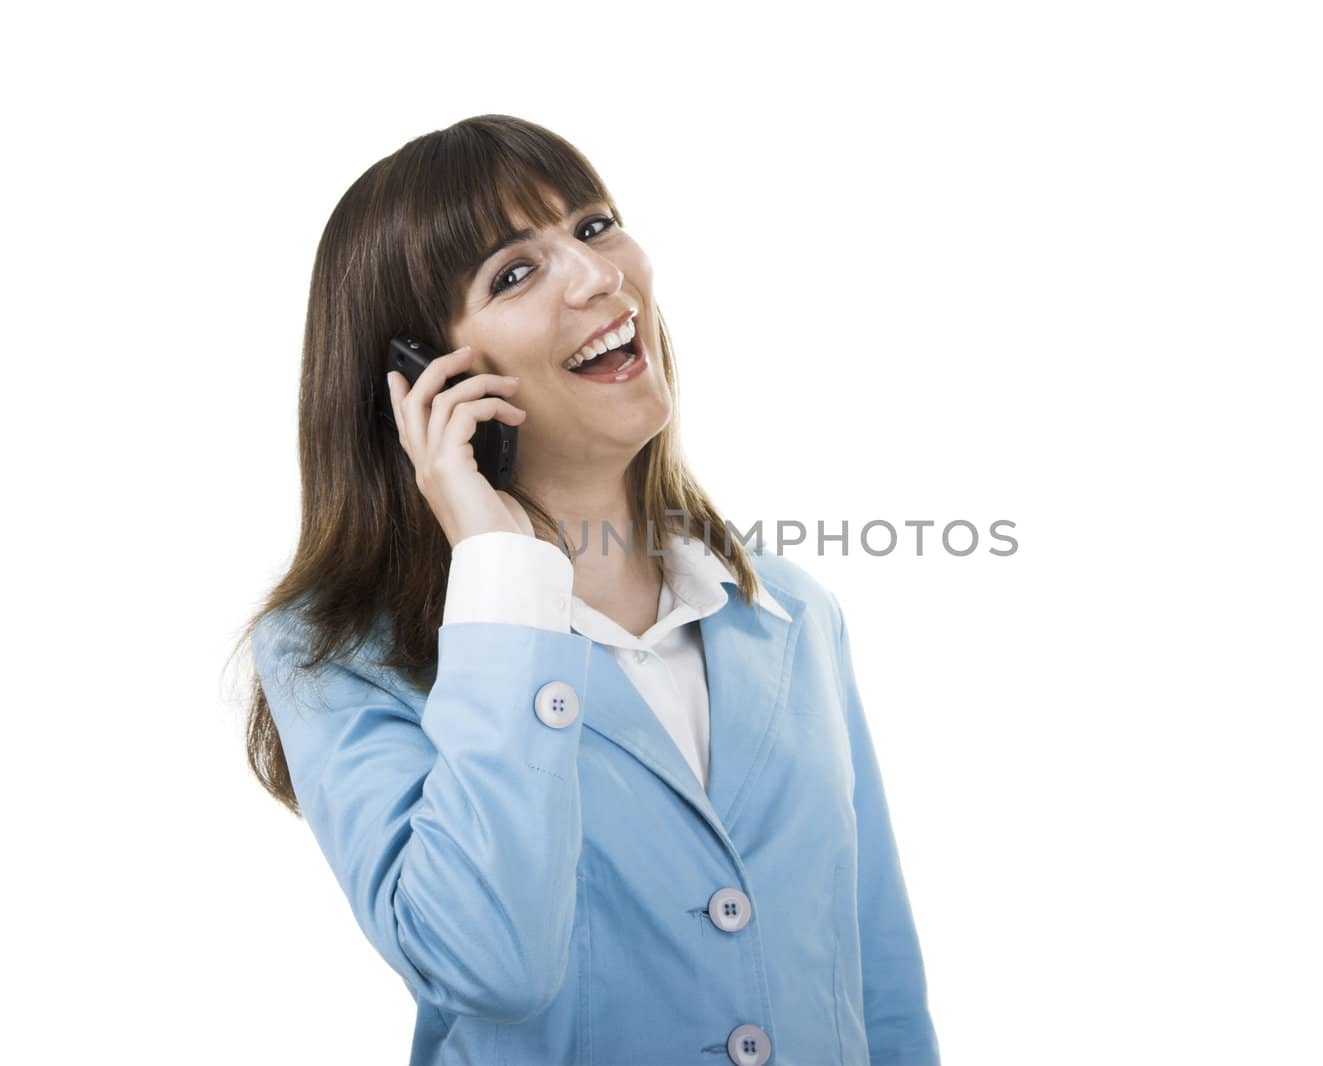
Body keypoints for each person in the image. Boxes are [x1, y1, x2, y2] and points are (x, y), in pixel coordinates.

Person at [239, 114, 940, 1066]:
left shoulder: (792, 612)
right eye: (514, 273)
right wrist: (499, 577)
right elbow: (487, 965)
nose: (596, 275)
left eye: (595, 225)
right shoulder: (335, 656)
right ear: (421, 381)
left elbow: (879, 985)